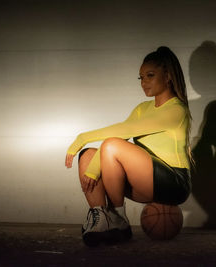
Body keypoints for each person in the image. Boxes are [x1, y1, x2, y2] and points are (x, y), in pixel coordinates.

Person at [65, 46, 192, 246]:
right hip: (144, 180)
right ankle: (101, 218)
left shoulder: (177, 110)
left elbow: (120, 136)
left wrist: (82, 137)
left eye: (150, 75)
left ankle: (118, 219)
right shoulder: (143, 108)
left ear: (168, 76)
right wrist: (92, 164)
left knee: (109, 145)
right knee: (88, 155)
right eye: (141, 77)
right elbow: (120, 138)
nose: (144, 82)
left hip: (174, 182)